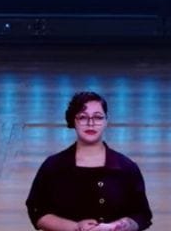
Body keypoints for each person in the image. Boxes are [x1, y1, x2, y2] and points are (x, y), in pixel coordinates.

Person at [26, 92, 153, 231]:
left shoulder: (126, 167)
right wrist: (75, 227)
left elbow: (142, 215)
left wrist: (120, 226)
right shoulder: (53, 166)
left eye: (98, 117)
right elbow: (37, 211)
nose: (90, 123)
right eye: (83, 117)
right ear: (73, 121)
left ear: (106, 121)